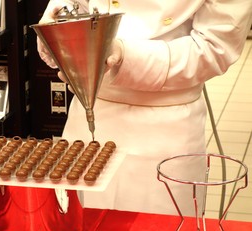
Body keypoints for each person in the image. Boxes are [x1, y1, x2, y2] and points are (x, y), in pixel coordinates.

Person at [37, 0, 252, 216]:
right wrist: (60, 21)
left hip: (164, 126)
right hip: (88, 115)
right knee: (79, 230)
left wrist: (123, 54)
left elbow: (215, 48)